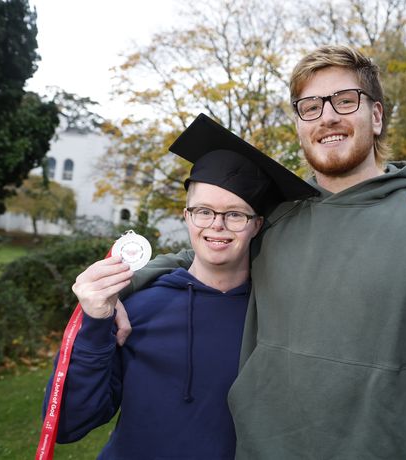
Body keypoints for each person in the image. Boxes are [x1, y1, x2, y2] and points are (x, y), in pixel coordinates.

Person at [124, 46, 406, 459]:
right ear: (300, 124)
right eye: (310, 106)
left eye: (344, 100)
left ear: (377, 115)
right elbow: (208, 264)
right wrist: (132, 278)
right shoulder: (275, 219)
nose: (327, 116)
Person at [41, 114, 317, 459]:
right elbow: (68, 425)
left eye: (235, 214)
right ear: (186, 216)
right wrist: (95, 324)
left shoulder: (273, 317)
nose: (217, 226)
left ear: (257, 225)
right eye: (203, 211)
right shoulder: (138, 307)